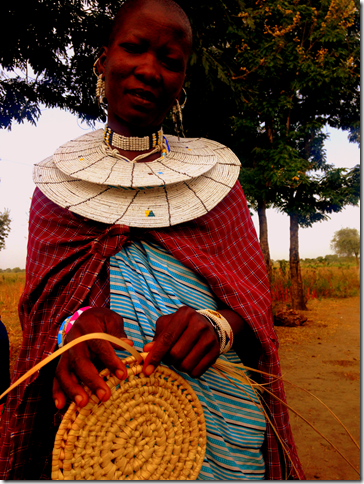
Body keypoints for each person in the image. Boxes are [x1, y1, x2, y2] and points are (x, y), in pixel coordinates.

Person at [0, 0, 304, 479]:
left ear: (182, 79)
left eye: (170, 60)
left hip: (227, 428)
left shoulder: (219, 186)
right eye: (134, 48)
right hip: (104, 438)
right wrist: (77, 326)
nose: (148, 70)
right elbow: (44, 313)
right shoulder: (57, 190)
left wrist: (216, 325)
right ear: (103, 59)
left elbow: (252, 302)